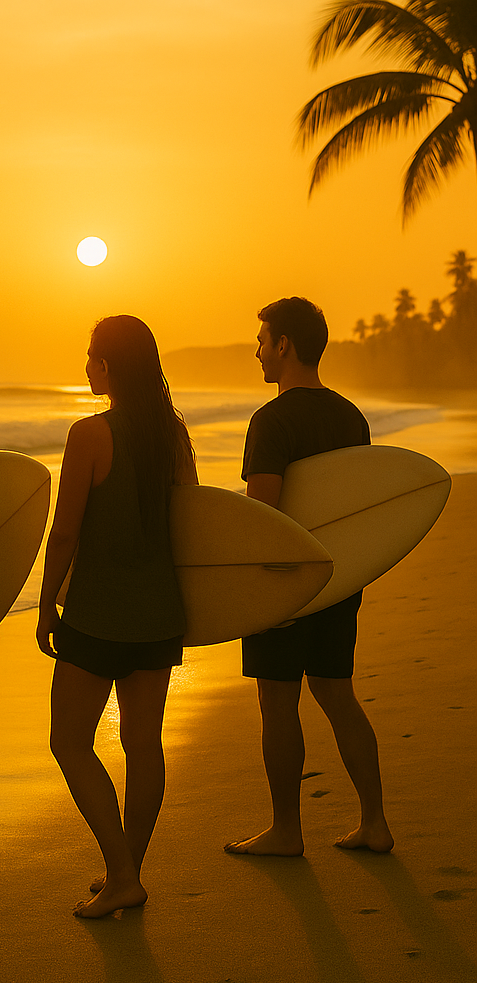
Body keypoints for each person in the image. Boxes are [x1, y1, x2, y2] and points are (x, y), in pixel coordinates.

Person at [36, 315, 197, 918]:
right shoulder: (172, 434)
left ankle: (123, 874)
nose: (85, 365)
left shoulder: (89, 434)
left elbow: (67, 530)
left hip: (98, 616)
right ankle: (125, 872)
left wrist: (48, 601)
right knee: (143, 744)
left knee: (70, 742)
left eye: (90, 356)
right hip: (159, 615)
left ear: (107, 366)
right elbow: (193, 521)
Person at [225, 296, 394, 857]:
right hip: (339, 576)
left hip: (284, 584)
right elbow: (357, 505)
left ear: (284, 346)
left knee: (278, 701)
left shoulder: (270, 421)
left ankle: (287, 831)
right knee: (337, 692)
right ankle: (375, 821)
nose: (257, 352)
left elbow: (266, 516)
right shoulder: (351, 416)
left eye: (262, 341)